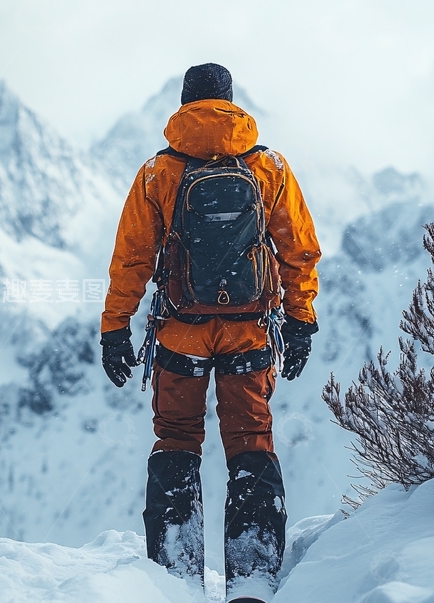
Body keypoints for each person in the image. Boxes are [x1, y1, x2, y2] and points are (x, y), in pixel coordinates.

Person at [99, 63, 321, 602]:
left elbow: (132, 259)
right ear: (230, 103)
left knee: (176, 441)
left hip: (180, 332)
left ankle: (175, 577)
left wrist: (115, 327)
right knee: (251, 441)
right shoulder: (269, 166)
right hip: (250, 332)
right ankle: (252, 577)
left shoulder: (158, 172)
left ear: (184, 104)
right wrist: (300, 320)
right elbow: (298, 250)